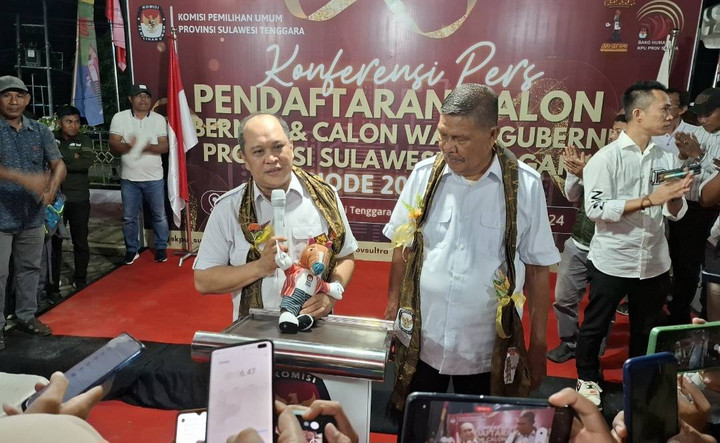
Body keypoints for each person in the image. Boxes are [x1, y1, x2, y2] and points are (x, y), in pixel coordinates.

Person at [384, 84, 560, 411]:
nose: (448, 148)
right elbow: (401, 246)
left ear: (492, 134)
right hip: (424, 340)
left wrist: (538, 344)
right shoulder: (424, 176)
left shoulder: (525, 185)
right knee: (417, 423)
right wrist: (392, 312)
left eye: (460, 139)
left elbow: (537, 270)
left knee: (478, 426)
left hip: (486, 348)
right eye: (443, 135)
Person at [576, 81, 693, 408]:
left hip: (654, 262)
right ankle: (587, 378)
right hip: (613, 260)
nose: (670, 115)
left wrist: (673, 198)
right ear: (638, 114)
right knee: (596, 325)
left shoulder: (667, 157)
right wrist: (647, 200)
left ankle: (639, 382)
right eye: (664, 109)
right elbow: (596, 208)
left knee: (646, 328)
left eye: (671, 109)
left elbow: (676, 212)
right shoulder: (606, 158)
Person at [193, 113, 357, 321]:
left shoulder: (325, 197)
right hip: (253, 329)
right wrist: (260, 267)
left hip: (313, 323)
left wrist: (331, 296)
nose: (271, 159)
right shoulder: (228, 208)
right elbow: (204, 280)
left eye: (278, 147)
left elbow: (345, 256)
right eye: (258, 151)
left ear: (292, 147)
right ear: (244, 158)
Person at [548, 115, 628, 363]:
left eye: (619, 131)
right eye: (613, 130)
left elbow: (618, 204)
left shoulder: (634, 167)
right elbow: (572, 196)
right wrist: (575, 174)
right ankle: (569, 342)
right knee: (563, 298)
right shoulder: (597, 160)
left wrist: (587, 173)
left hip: (610, 248)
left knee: (602, 306)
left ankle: (593, 349)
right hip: (578, 243)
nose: (612, 136)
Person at [0, 76, 66, 348]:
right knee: (0, 274)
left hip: (33, 216)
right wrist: (23, 178)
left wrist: (52, 187)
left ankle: (27, 316)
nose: (13, 101)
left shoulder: (39, 130)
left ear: (27, 99)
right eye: (7, 95)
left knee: (30, 269)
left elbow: (58, 164)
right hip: (1, 217)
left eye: (19, 95)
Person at [659, 88, 720, 325]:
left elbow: (712, 187)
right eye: (699, 114)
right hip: (688, 209)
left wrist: (699, 156)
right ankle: (679, 314)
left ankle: (705, 319)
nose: (702, 119)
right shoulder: (695, 134)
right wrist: (685, 157)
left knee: (711, 274)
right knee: (683, 265)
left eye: (708, 114)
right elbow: (678, 173)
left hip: (713, 212)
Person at [109, 84, 169, 264]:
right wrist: (129, 145)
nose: (143, 99)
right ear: (131, 99)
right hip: (129, 179)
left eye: (147, 96)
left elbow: (165, 146)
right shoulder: (120, 117)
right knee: (129, 218)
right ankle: (131, 250)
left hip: (154, 178)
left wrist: (148, 147)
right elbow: (113, 145)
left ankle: (161, 247)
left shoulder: (158, 119)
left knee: (159, 215)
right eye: (139, 96)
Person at [50, 106, 94, 292]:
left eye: (76, 122)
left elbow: (86, 162)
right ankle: (52, 283)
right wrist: (72, 156)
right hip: (55, 200)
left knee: (80, 241)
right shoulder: (50, 137)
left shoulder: (85, 140)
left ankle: (81, 279)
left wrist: (60, 157)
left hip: (79, 198)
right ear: (60, 122)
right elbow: (47, 161)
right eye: (69, 121)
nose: (73, 125)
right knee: (54, 243)